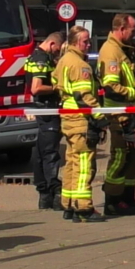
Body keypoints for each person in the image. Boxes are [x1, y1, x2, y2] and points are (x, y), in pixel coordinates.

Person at [53, 25, 105, 222]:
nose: (89, 44)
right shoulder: (80, 65)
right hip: (80, 119)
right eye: (85, 41)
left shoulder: (64, 60)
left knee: (72, 162)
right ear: (75, 42)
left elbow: (55, 81)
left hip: (68, 118)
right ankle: (83, 208)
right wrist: (100, 117)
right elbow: (83, 96)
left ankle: (68, 204)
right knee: (84, 164)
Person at [98, 14, 135, 216]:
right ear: (121, 29)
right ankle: (112, 200)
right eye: (132, 30)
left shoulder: (122, 50)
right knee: (120, 156)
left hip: (130, 114)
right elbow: (111, 86)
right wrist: (134, 93)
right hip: (119, 115)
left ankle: (127, 197)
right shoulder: (111, 51)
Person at [25, 31, 65, 210]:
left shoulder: (33, 56)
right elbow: (36, 88)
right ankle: (55, 191)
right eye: (57, 49)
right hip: (47, 109)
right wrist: (58, 87)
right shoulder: (42, 59)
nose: (57, 52)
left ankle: (44, 194)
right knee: (50, 152)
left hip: (41, 109)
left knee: (40, 152)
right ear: (52, 44)